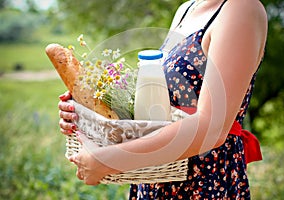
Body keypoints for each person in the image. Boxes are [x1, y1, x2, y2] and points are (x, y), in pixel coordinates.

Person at [58, 0, 267, 199]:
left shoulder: (240, 8)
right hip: (159, 177)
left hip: (203, 182)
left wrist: (107, 161)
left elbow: (212, 128)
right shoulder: (188, 8)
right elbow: (162, 106)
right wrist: (86, 110)